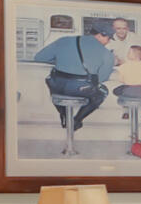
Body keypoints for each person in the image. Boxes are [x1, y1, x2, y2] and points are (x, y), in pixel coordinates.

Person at [30, 18, 124, 154]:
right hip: (80, 89)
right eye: (108, 38)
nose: (108, 42)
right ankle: (76, 121)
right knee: (102, 92)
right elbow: (101, 79)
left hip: (57, 85)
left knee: (54, 84)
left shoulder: (64, 40)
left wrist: (61, 60)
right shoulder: (106, 54)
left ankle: (63, 115)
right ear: (101, 35)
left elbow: (39, 58)